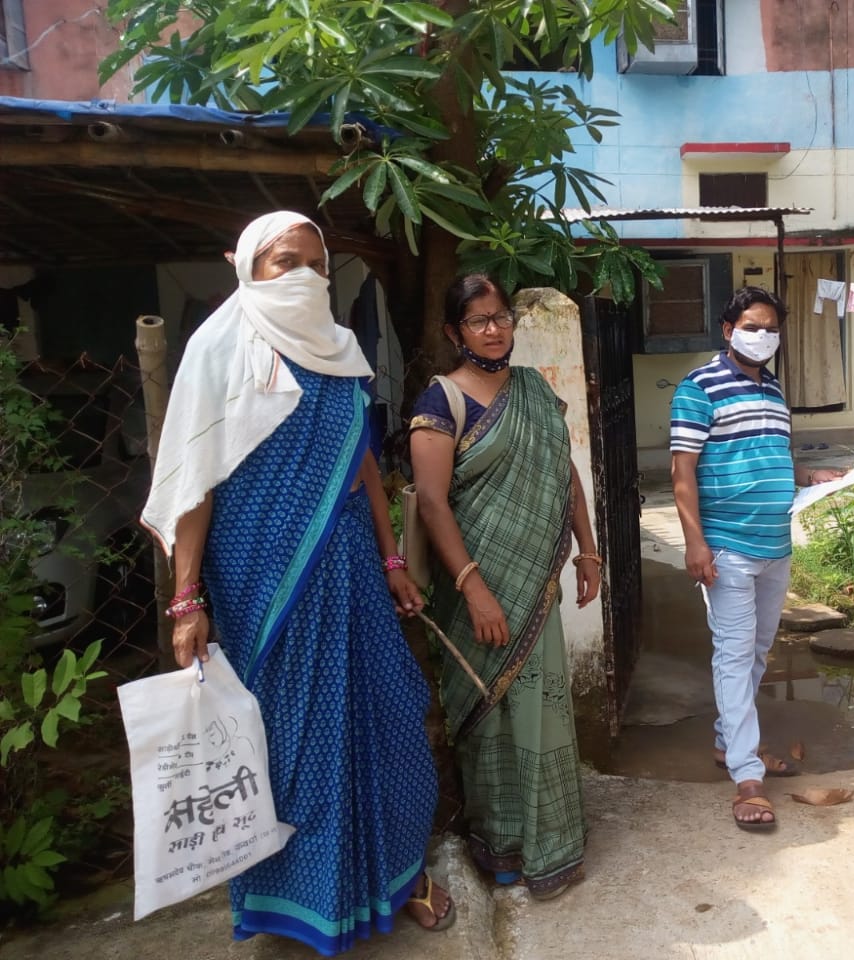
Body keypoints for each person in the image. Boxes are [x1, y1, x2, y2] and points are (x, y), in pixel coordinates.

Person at [140, 212, 454, 954]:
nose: (304, 276)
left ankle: (397, 874)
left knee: (388, 714)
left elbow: (365, 462)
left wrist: (391, 557)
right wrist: (186, 599)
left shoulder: (341, 349)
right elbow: (194, 483)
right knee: (287, 741)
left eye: (316, 263)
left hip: (348, 568)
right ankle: (303, 900)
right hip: (260, 579)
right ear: (246, 265)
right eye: (285, 261)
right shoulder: (219, 347)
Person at [408, 274, 600, 900]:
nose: (494, 330)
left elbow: (563, 471)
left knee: (541, 709)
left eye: (501, 318)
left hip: (535, 586)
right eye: (478, 321)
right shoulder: (441, 404)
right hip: (479, 591)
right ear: (453, 331)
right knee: (487, 715)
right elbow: (434, 506)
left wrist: (589, 549)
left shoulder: (536, 392)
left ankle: (553, 840)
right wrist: (474, 588)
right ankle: (501, 842)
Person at [669, 286, 845, 831]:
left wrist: (808, 477)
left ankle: (729, 744)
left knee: (757, 654)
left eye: (771, 327)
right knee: (733, 653)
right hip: (727, 547)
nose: (762, 335)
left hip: (774, 544)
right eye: (751, 325)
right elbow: (681, 476)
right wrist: (695, 543)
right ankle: (747, 774)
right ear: (728, 329)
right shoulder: (698, 388)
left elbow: (772, 457)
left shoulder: (773, 390)